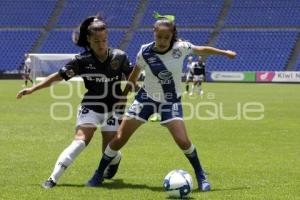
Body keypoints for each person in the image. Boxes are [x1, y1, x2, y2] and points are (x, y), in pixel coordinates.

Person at [86, 13, 236, 191]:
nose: (163, 40)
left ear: (172, 36)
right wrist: (124, 94)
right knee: (118, 139)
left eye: (167, 37)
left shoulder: (181, 48)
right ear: (153, 34)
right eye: (159, 37)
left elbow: (202, 49)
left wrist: (225, 53)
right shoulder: (145, 51)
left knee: (183, 141)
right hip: (145, 99)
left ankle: (201, 174)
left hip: (170, 101)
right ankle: (98, 173)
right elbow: (134, 74)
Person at [16, 16, 133, 189]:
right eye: (96, 41)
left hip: (113, 110)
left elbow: (133, 79)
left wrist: (127, 96)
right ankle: (52, 179)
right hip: (91, 107)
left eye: (104, 40)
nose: (101, 45)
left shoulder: (119, 57)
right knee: (79, 141)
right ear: (88, 40)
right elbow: (56, 77)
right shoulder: (81, 61)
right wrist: (32, 89)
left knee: (108, 151)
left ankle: (116, 159)